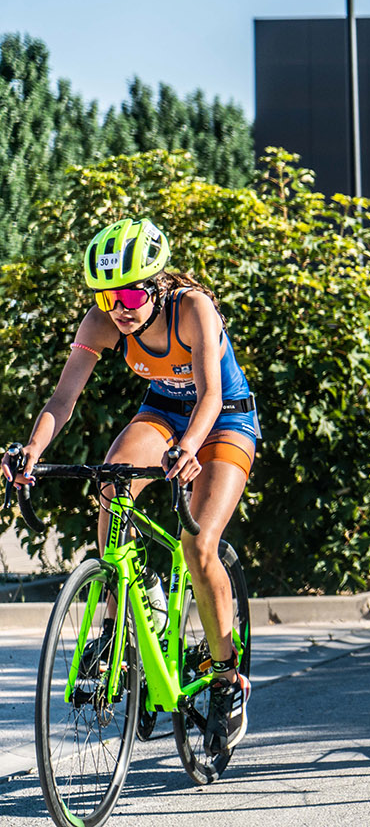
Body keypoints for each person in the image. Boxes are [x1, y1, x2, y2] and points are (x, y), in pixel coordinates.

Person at [1, 218, 259, 755]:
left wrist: (189, 448)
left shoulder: (193, 308)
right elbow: (63, 399)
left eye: (130, 293)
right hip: (163, 412)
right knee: (111, 481)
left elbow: (211, 396)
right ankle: (127, 615)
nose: (118, 307)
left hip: (225, 418)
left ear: (156, 283)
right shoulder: (103, 320)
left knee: (198, 545)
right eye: (105, 295)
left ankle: (226, 678)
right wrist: (32, 450)